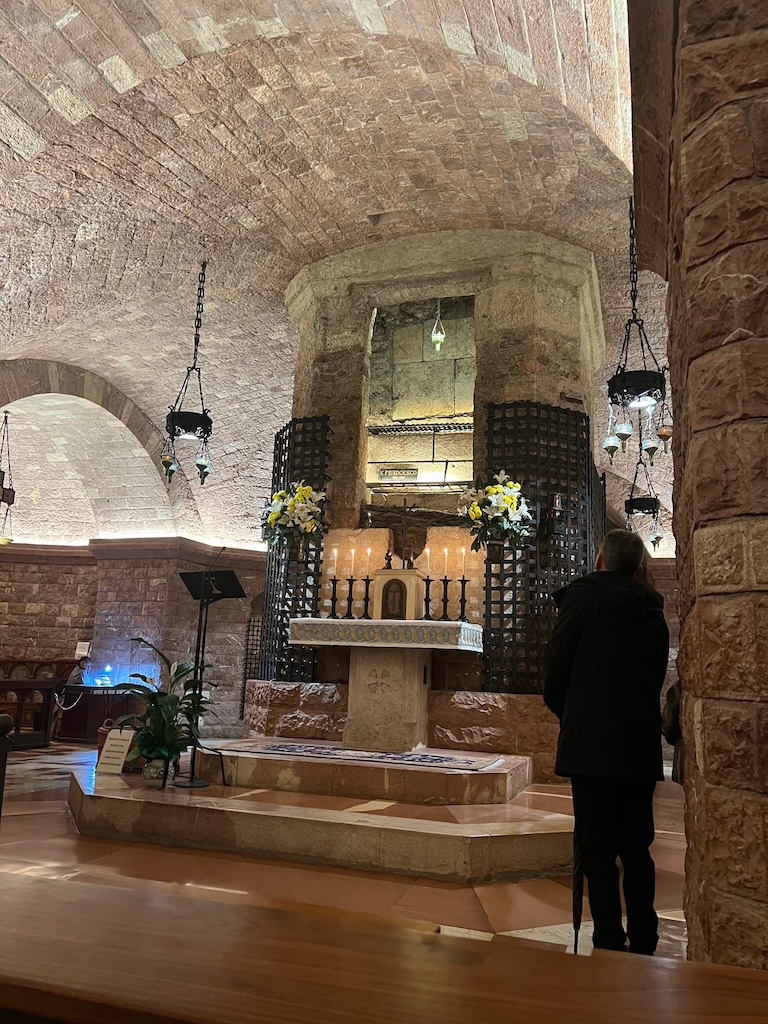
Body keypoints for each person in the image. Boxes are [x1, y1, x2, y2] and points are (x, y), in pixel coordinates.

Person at [544, 529, 669, 955]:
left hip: (591, 748)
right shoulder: (653, 608)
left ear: (599, 561)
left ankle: (609, 940)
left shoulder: (581, 599)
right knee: (636, 846)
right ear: (638, 569)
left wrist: (578, 717)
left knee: (596, 849)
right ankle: (646, 938)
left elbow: (555, 672)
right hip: (637, 745)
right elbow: (654, 676)